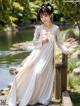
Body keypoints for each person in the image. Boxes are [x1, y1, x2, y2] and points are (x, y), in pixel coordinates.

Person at [6, 3, 69, 106]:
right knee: (25, 73)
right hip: (37, 56)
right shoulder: (39, 29)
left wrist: (65, 50)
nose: (43, 18)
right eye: (41, 16)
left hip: (48, 58)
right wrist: (42, 41)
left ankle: (42, 97)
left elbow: (60, 43)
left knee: (39, 74)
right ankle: (24, 96)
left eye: (45, 15)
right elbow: (34, 43)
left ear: (50, 15)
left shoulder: (56, 29)